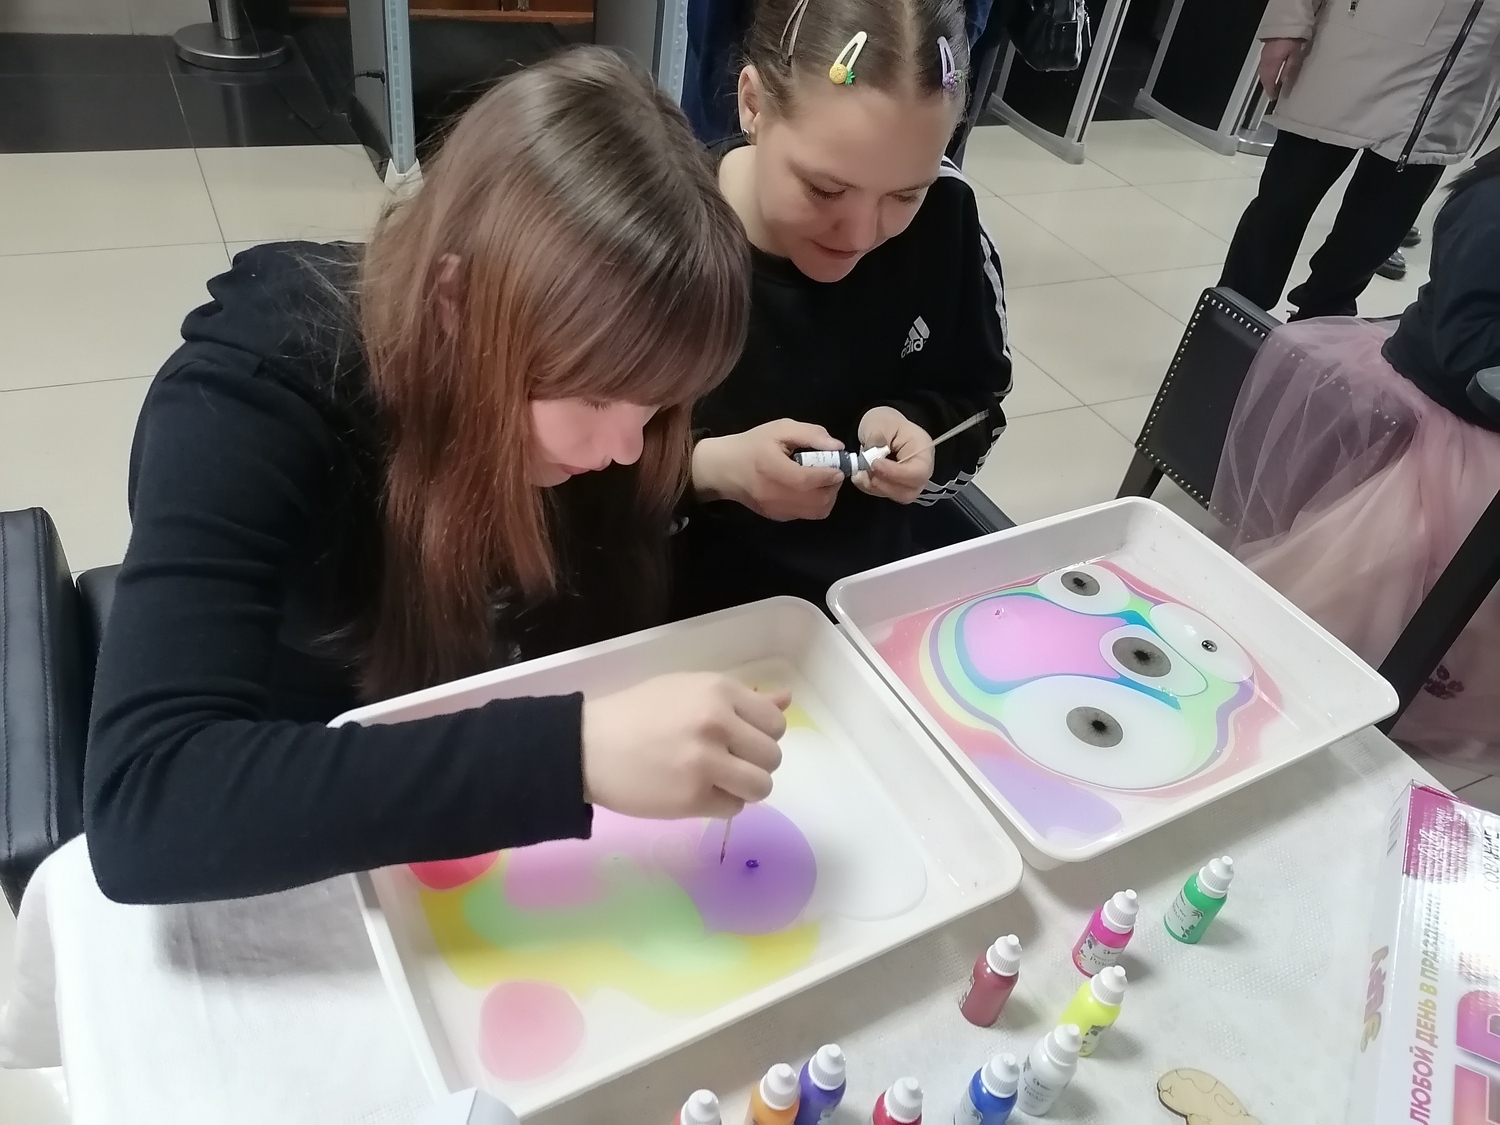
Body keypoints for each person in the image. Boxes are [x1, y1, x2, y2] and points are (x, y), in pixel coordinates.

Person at [83, 48, 788, 905]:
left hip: (464, 775)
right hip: (302, 814)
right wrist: (573, 753)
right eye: (598, 396)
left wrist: (702, 470)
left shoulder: (582, 393)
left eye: (657, 406)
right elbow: (148, 804)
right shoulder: (252, 401)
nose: (626, 447)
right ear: (456, 303)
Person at [676, 0, 1012, 615]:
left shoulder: (947, 221)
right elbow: (573, 483)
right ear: (752, 104)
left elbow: (978, 403)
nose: (859, 235)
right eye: (824, 188)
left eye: (904, 195)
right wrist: (709, 469)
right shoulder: (662, 242)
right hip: (679, 616)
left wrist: (921, 434)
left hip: (859, 606)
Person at [1212, 148, 1500, 765]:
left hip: (1475, 393)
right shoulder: (1493, 207)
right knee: (1441, 548)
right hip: (1454, 398)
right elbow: (1468, 348)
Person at [1219, 0, 1500, 320]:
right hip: (1351, 45)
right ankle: (1229, 318)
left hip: (1465, 82)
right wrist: (1287, 24)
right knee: (1282, 205)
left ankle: (1317, 327)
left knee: (1376, 234)